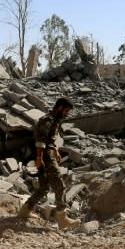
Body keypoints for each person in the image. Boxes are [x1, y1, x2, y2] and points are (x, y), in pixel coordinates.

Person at [17, 97, 79, 229]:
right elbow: (40, 139)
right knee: (59, 185)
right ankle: (62, 219)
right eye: (66, 110)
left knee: (44, 187)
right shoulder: (48, 119)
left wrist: (55, 150)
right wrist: (39, 157)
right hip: (45, 156)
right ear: (60, 107)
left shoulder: (55, 120)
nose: (66, 113)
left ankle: (25, 210)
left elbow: (50, 139)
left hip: (49, 153)